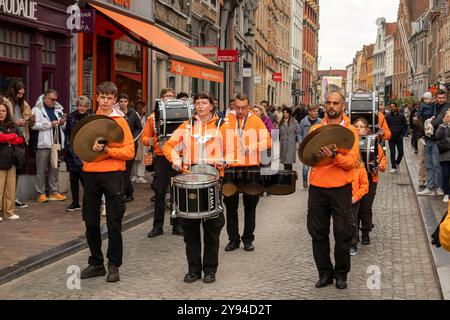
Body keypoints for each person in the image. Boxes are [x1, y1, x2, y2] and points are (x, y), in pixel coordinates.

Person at [162, 91, 225, 284]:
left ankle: (210, 269)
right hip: (189, 180)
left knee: (212, 228)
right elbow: (169, 145)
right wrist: (175, 158)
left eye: (204, 103)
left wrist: (225, 160)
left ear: (212, 105)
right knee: (190, 229)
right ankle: (193, 269)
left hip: (213, 180)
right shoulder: (187, 126)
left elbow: (234, 149)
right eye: (197, 103)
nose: (200, 106)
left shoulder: (222, 126)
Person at [80, 82, 134, 283]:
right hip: (91, 175)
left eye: (109, 98)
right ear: (96, 98)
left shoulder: (121, 121)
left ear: (115, 99)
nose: (105, 101)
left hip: (113, 176)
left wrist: (108, 151)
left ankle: (113, 265)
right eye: (102, 97)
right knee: (91, 221)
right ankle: (96, 263)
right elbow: (80, 148)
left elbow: (129, 152)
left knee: (114, 222)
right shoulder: (90, 120)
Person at [307, 91, 359, 290]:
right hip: (318, 189)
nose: (331, 106)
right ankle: (324, 273)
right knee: (317, 232)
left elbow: (351, 163)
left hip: (341, 189)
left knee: (342, 233)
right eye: (328, 102)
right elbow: (308, 158)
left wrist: (335, 155)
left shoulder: (351, 131)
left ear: (343, 106)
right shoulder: (316, 128)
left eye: (336, 103)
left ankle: (341, 274)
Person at [222, 92, 271, 252]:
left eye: (243, 108)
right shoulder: (226, 121)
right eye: (238, 107)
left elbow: (268, 141)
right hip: (230, 168)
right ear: (233, 106)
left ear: (248, 107)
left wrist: (254, 146)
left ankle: (248, 239)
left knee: (251, 205)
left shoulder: (256, 121)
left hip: (251, 167)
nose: (241, 111)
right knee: (230, 206)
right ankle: (233, 239)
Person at [142, 88, 183, 238]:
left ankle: (177, 225)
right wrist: (149, 141)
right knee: (159, 192)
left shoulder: (181, 115)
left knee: (177, 192)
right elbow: (144, 137)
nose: (169, 99)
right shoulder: (152, 118)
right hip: (160, 157)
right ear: (161, 99)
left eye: (172, 96)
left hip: (178, 156)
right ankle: (157, 226)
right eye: (167, 96)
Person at [352, 117, 386, 250]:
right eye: (357, 126)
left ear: (367, 129)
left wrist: (379, 166)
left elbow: (382, 159)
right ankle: (354, 235)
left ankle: (365, 232)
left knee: (365, 207)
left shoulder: (373, 143)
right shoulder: (350, 142)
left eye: (361, 126)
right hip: (354, 179)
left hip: (370, 178)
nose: (359, 128)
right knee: (354, 208)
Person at [31, 89, 67, 203]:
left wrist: (62, 123)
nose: (54, 102)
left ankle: (54, 192)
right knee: (41, 169)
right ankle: (40, 193)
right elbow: (33, 125)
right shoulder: (36, 109)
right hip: (43, 143)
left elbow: (63, 126)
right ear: (45, 98)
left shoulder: (58, 109)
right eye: (52, 99)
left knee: (54, 168)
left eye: (55, 100)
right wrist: (49, 124)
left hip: (55, 143)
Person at [4, 81, 33, 209]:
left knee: (17, 170)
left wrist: (31, 120)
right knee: (6, 170)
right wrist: (16, 122)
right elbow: (4, 120)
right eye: (19, 93)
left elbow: (31, 123)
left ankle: (13, 198)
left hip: (21, 139)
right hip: (8, 139)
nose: (21, 96)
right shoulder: (6, 102)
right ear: (13, 91)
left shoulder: (24, 104)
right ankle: (5, 201)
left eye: (23, 94)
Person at [64, 96, 92, 212]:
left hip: (86, 151)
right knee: (73, 178)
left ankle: (91, 202)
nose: (82, 108)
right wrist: (69, 148)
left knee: (86, 180)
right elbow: (67, 134)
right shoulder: (71, 116)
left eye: (84, 106)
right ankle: (75, 202)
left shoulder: (91, 117)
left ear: (88, 107)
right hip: (72, 150)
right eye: (80, 105)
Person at [0, 98, 25, 221]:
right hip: (0, 161)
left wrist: (9, 137)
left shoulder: (12, 124)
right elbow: (1, 139)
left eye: (3, 110)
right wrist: (11, 137)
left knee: (10, 189)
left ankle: (8, 212)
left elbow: (21, 138)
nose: (1, 113)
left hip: (12, 160)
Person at [118, 93, 142, 202]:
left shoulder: (133, 113)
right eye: (121, 101)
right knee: (122, 170)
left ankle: (122, 195)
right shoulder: (116, 113)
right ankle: (130, 193)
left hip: (131, 146)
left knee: (127, 170)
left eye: (125, 101)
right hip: (119, 146)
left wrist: (132, 139)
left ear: (128, 102)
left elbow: (139, 128)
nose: (123, 103)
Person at [418, 92, 444, 195]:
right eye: (439, 98)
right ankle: (430, 187)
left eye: (443, 97)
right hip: (428, 138)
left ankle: (438, 187)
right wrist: (422, 128)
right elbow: (420, 118)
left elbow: (438, 120)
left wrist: (427, 123)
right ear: (436, 98)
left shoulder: (445, 107)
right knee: (428, 164)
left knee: (436, 165)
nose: (441, 99)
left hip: (437, 140)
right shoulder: (434, 106)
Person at [298, 105, 322, 189]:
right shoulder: (303, 122)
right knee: (305, 168)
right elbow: (299, 133)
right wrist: (301, 143)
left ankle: (316, 184)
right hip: (306, 147)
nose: (316, 113)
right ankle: (305, 181)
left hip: (317, 147)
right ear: (309, 112)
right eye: (314, 111)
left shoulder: (320, 122)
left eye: (317, 111)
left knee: (318, 167)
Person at [349, 157, 369, 256]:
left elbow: (365, 186)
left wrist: (355, 197)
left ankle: (353, 244)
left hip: (353, 199)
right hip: (341, 198)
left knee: (352, 221)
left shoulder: (360, 168)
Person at [385, 102, 408, 174]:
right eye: (391, 107)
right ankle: (393, 167)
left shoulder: (401, 116)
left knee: (401, 153)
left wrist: (402, 134)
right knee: (392, 153)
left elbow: (405, 126)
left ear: (396, 107)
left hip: (399, 137)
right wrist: (388, 134)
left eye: (393, 107)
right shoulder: (388, 116)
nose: (392, 108)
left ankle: (397, 163)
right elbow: (386, 127)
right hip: (391, 138)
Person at [434, 109, 450, 202]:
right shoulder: (442, 126)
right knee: (446, 174)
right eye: (447, 115)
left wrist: (446, 141)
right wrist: (443, 124)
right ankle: (446, 193)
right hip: (445, 154)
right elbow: (438, 136)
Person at [131, 101, 148, 184]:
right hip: (137, 139)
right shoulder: (136, 116)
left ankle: (140, 175)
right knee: (135, 158)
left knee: (142, 158)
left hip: (143, 140)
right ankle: (135, 175)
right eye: (144, 107)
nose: (146, 109)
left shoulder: (145, 117)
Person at [279, 107, 300, 171]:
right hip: (283, 144)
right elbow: (277, 132)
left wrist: (299, 142)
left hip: (291, 144)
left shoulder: (294, 121)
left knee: (288, 162)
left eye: (286, 112)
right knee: (285, 162)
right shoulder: (281, 122)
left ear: (289, 113)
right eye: (284, 112)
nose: (285, 113)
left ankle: (288, 176)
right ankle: (287, 175)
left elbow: (298, 132)